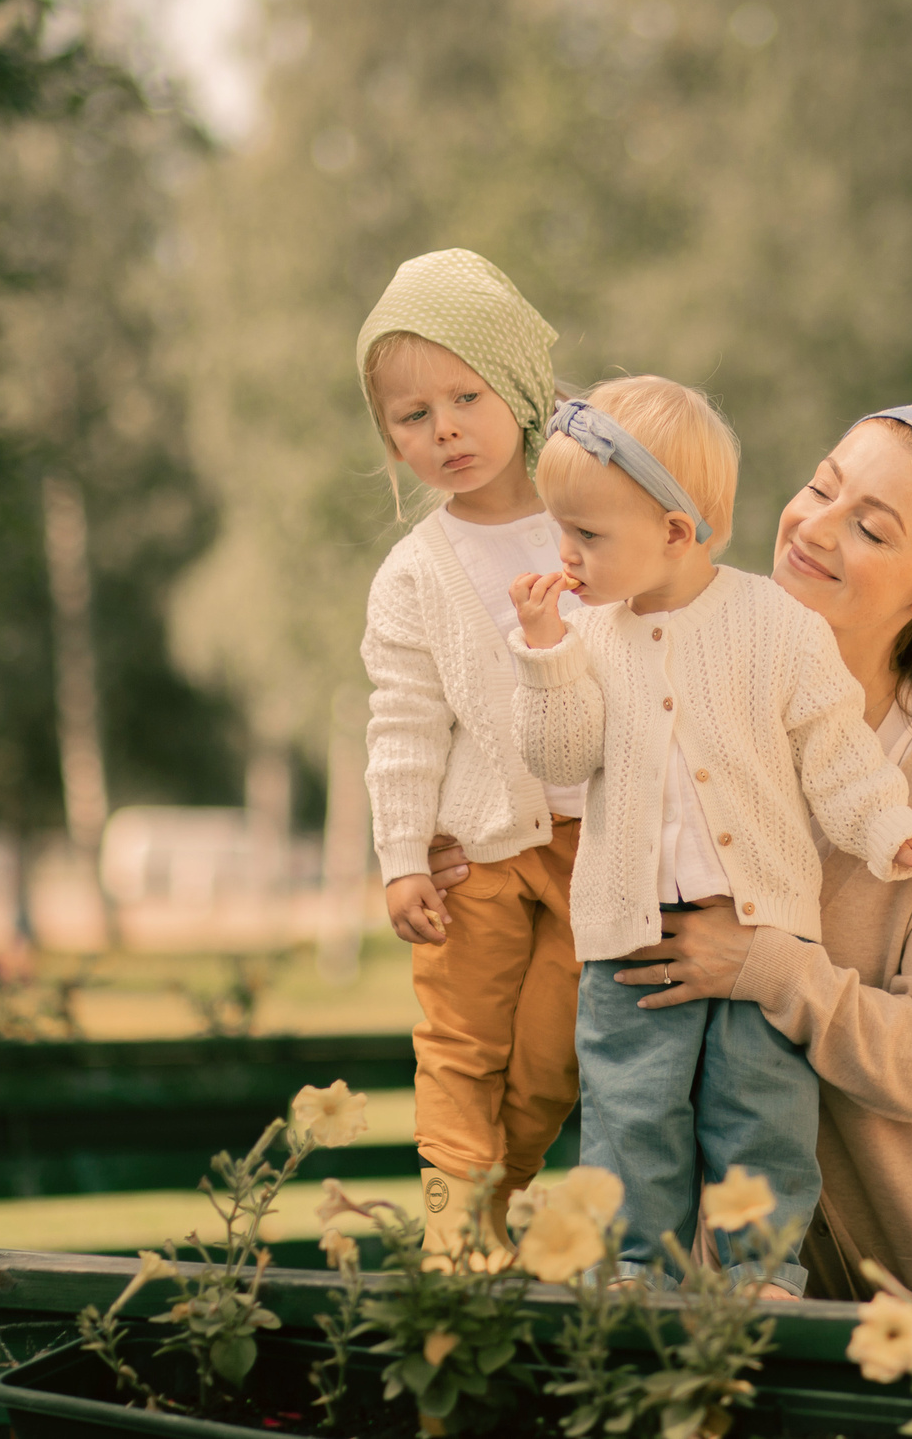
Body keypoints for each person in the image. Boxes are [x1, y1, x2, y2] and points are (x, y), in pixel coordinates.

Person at [504, 376, 912, 1297]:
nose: (566, 552)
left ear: (675, 532)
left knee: (760, 1113)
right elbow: (559, 756)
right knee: (630, 1114)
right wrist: (547, 653)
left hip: (760, 930)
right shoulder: (586, 636)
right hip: (629, 939)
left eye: (587, 533)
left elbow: (834, 752)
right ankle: (633, 1267)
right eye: (561, 528)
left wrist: (892, 827)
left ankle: (763, 1271)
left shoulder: (777, 628)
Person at [600, 403, 912, 1308]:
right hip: (762, 1294)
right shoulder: (690, 715)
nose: (815, 527)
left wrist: (770, 969)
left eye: (871, 527)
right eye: (822, 487)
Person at [356, 248, 585, 1251]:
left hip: (594, 848)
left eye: (466, 397)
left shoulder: (591, 521)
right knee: (459, 1048)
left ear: (521, 389)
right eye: (413, 415)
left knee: (551, 1058)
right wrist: (403, 854)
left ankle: (494, 1209)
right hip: (476, 854)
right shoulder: (415, 574)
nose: (444, 429)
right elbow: (403, 721)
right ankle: (453, 1245)